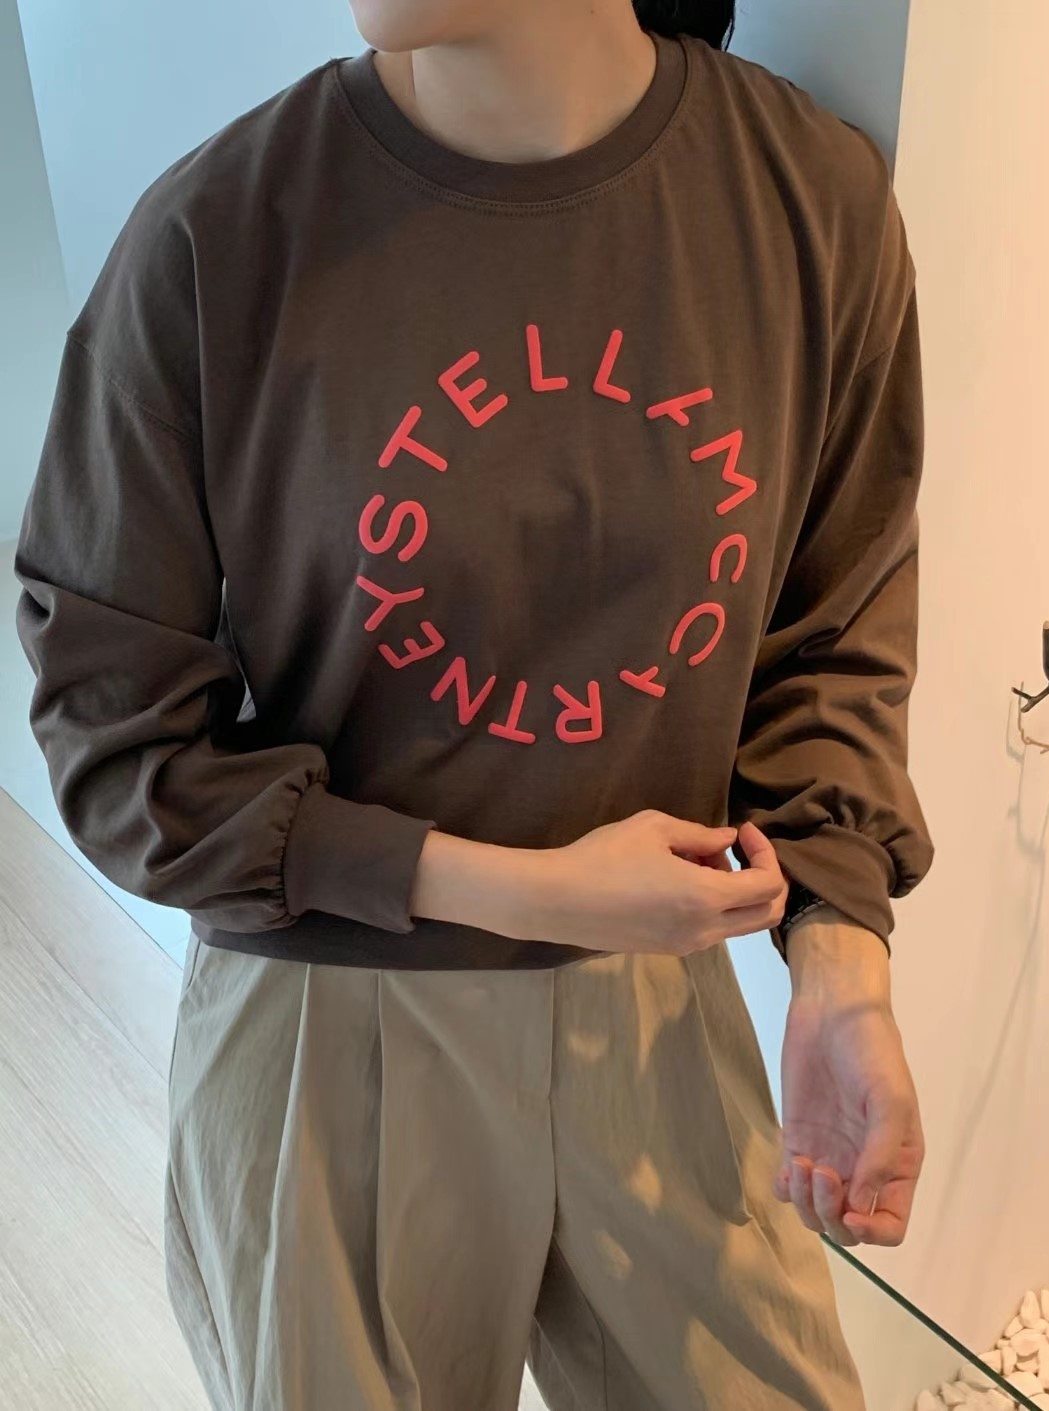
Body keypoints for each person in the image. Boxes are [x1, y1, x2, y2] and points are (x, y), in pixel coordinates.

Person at [13, 0, 935, 1405]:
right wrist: (528, 890)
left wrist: (840, 962)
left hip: (660, 1016)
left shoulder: (805, 204)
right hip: (332, 1027)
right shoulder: (219, 238)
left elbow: (835, 630)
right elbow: (115, 738)